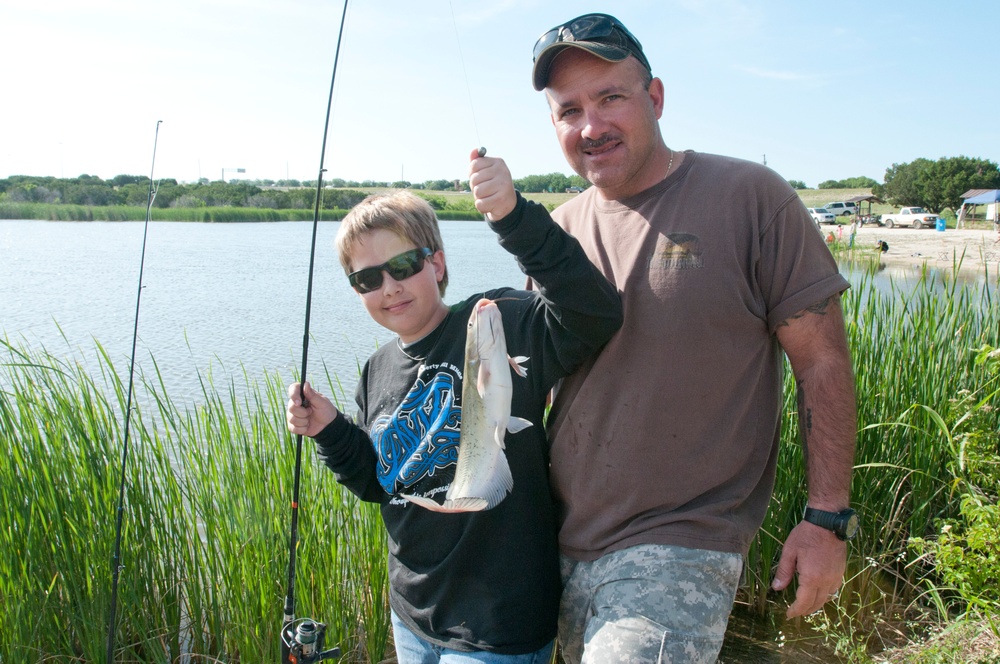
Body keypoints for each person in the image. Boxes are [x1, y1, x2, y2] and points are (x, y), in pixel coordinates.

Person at [529, 13, 858, 663]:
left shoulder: (751, 199)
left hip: (683, 542)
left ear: (654, 98)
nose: (590, 126)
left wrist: (826, 518)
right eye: (569, 110)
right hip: (557, 539)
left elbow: (821, 361)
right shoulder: (556, 232)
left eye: (610, 98)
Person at [285, 152, 623, 664]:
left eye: (402, 266)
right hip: (413, 615)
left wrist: (513, 217)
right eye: (367, 279)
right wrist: (330, 430)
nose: (389, 287)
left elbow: (593, 311)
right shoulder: (376, 370)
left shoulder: (498, 321)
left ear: (436, 263)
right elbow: (382, 485)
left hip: (498, 624)